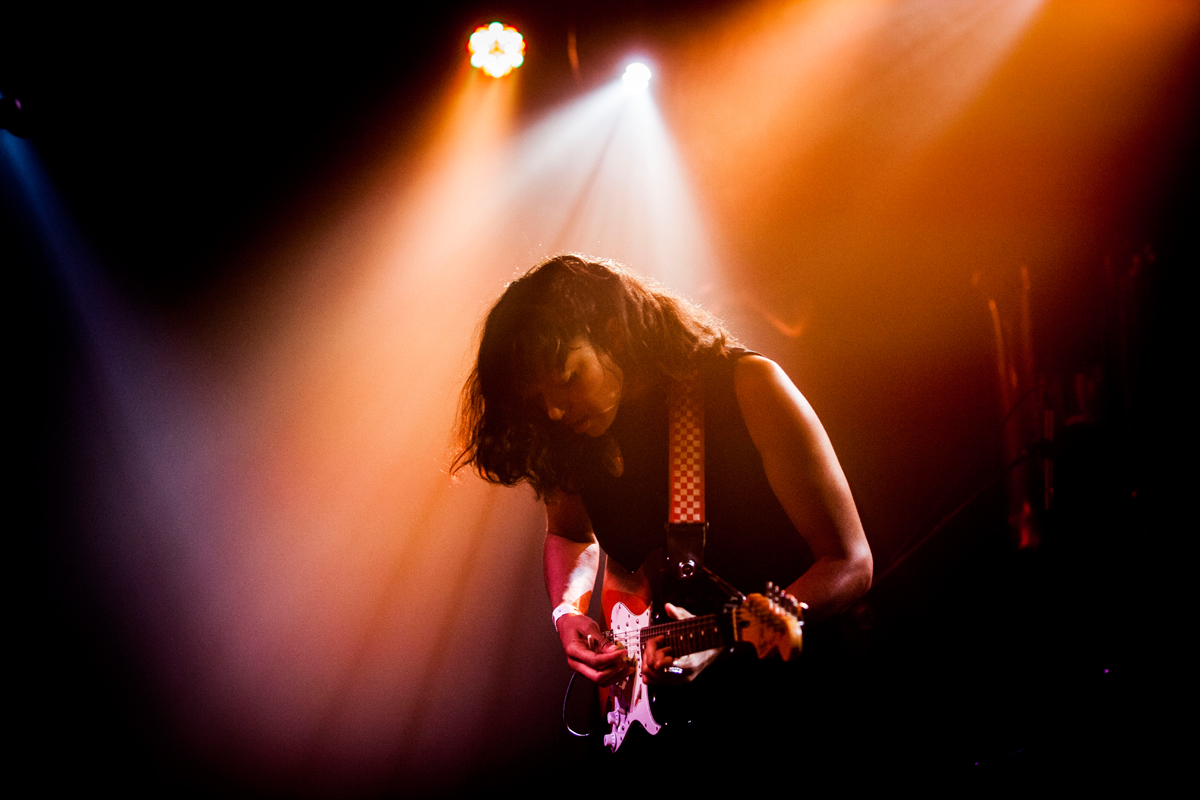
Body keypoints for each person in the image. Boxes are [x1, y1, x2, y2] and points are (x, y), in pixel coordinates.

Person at [454, 254, 871, 751]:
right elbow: (569, 534)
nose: (555, 410)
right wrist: (565, 612)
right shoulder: (568, 435)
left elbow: (849, 563)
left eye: (569, 376)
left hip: (804, 705)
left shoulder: (748, 388)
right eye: (537, 398)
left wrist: (731, 635)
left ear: (613, 332)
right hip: (689, 726)